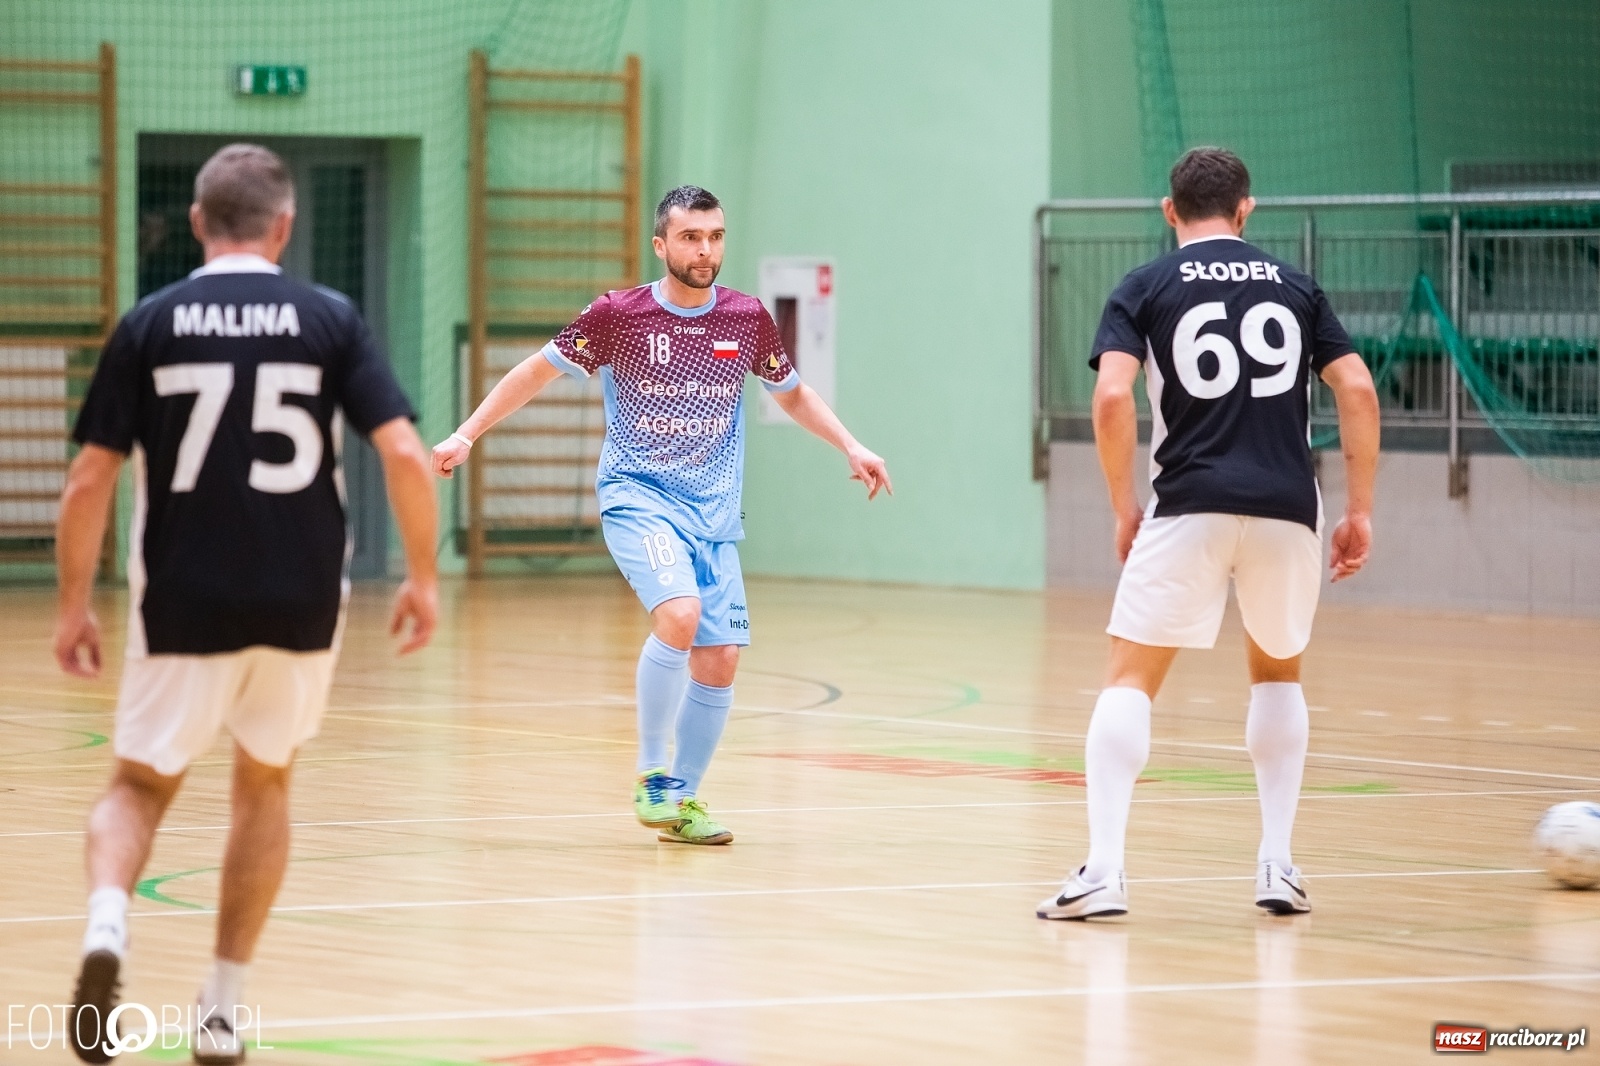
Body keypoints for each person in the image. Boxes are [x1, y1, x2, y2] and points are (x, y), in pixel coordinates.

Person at [55, 144, 439, 1062]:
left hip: (182, 597)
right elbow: (403, 453)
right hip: (300, 599)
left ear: (197, 222)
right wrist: (423, 575)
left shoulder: (150, 323)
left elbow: (88, 479)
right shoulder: (329, 317)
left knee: (137, 786)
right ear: (284, 226)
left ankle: (108, 924)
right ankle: (222, 1011)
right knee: (264, 783)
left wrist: (73, 605)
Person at [433, 185, 890, 846]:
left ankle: (682, 800)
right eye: (690, 237)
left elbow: (791, 394)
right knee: (680, 615)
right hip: (639, 498)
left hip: (714, 515)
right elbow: (535, 372)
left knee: (721, 657)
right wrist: (466, 434)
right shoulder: (618, 315)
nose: (705, 250)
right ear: (661, 244)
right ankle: (651, 773)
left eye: (715, 237)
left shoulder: (746, 318)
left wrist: (851, 444)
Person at [1037, 147, 1380, 921]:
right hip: (1288, 507)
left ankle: (1105, 871)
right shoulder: (1296, 286)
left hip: (1189, 502)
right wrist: (1359, 510)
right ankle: (1278, 865)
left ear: (1170, 210)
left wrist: (1124, 505)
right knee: (1278, 673)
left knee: (1129, 677)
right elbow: (1356, 387)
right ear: (1245, 209)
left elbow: (1113, 399)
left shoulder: (1145, 286)